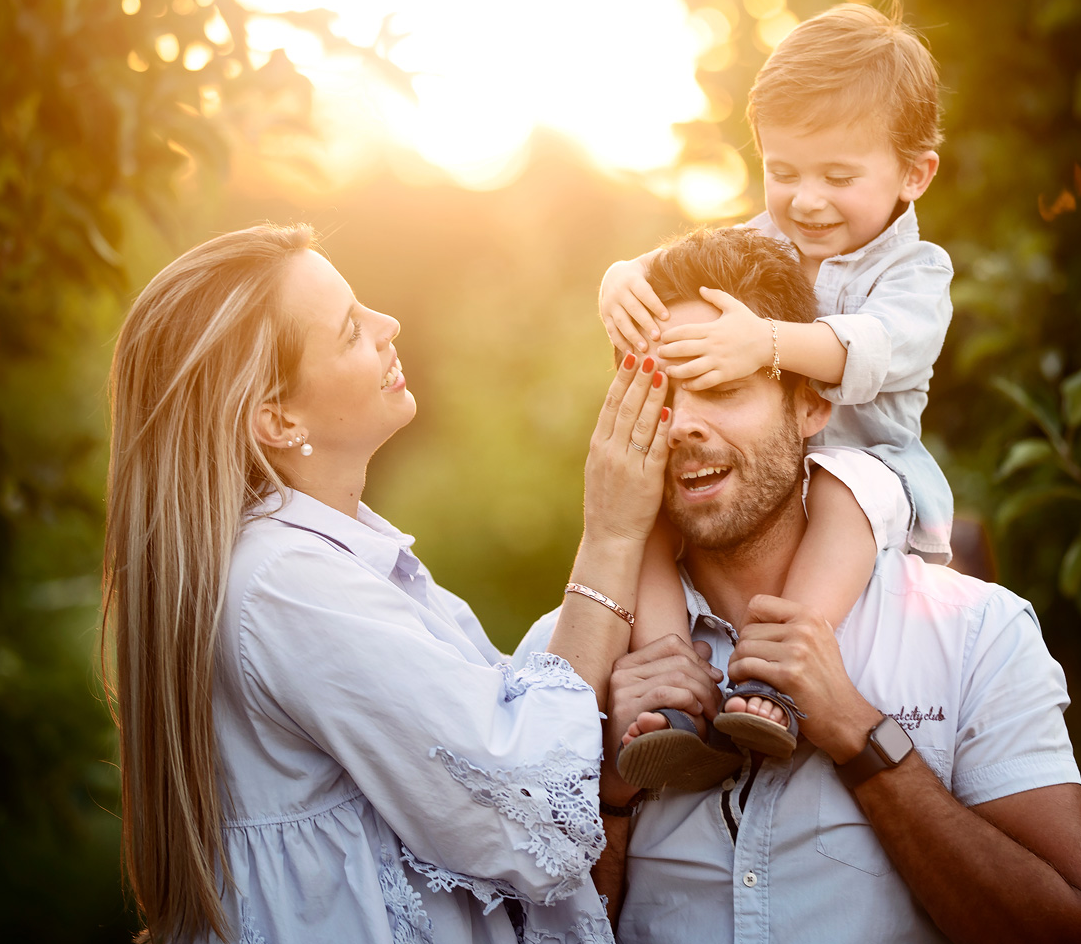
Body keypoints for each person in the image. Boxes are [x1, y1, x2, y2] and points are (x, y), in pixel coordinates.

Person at [522, 226, 1081, 942]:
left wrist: (859, 735)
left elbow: (1061, 926)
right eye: (659, 394)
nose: (681, 427)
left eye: (720, 388)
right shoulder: (565, 666)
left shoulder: (977, 634)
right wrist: (607, 790)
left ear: (811, 404)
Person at [101, 224, 672, 943]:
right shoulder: (286, 582)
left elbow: (486, 719)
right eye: (350, 330)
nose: (388, 325)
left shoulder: (333, 555)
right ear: (276, 418)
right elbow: (518, 802)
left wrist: (612, 689)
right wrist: (612, 535)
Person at [598, 3, 957, 786]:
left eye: (838, 177)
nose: (806, 201)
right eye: (784, 172)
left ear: (914, 174)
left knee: (840, 486)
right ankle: (673, 680)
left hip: (872, 468)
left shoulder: (916, 273)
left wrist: (766, 343)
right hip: (759, 473)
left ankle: (778, 672)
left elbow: (875, 347)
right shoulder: (760, 241)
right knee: (647, 507)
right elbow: (673, 263)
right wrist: (621, 277)